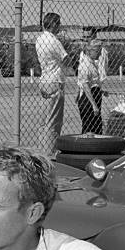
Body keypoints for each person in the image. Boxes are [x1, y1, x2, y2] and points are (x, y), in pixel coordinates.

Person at [35, 12, 71, 156]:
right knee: (54, 121)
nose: (60, 26)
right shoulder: (54, 40)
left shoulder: (40, 39)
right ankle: (50, 153)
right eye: (59, 23)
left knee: (45, 120)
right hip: (55, 81)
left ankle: (43, 149)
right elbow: (66, 58)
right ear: (54, 24)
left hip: (44, 79)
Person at [77, 39, 109, 134]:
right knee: (88, 129)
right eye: (98, 52)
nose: (100, 55)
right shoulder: (85, 65)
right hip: (88, 101)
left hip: (94, 96)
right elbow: (86, 86)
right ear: (91, 51)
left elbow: (93, 83)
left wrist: (101, 91)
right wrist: (94, 105)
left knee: (97, 128)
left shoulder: (92, 63)